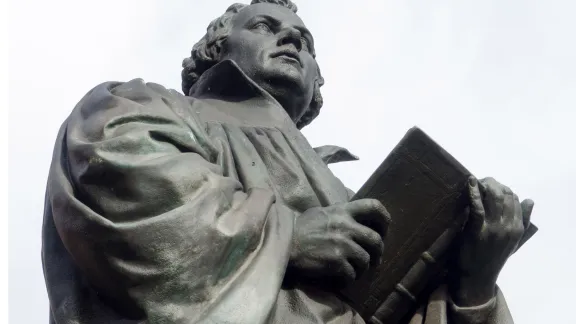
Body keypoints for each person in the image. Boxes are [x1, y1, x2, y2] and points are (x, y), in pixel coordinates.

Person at [42, 1, 533, 323]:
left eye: (306, 40)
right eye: (265, 26)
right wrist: (286, 236)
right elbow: (116, 170)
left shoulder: (349, 198)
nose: (293, 40)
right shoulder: (141, 106)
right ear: (217, 47)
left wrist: (474, 284)